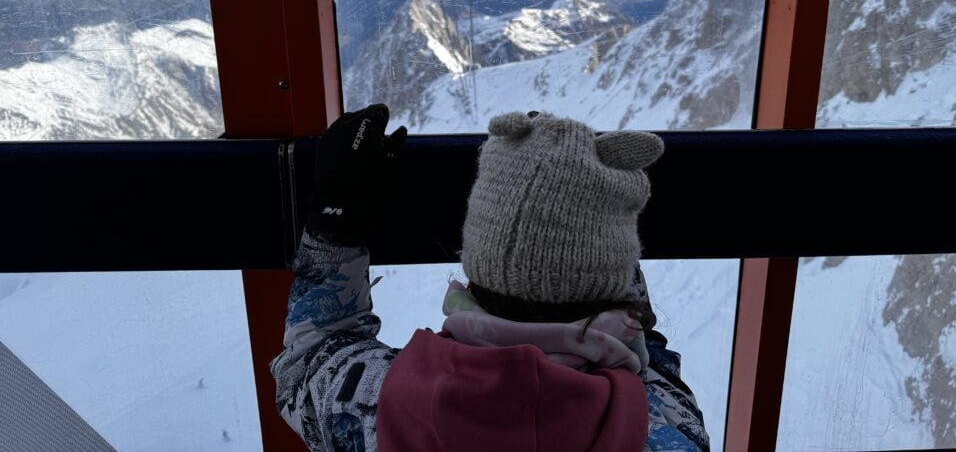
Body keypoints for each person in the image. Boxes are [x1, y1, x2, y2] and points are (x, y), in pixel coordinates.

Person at [271, 103, 709, 452]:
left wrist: (336, 218)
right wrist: (591, 206)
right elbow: (648, 357)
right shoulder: (665, 428)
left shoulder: (372, 404)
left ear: (475, 273)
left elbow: (308, 360)